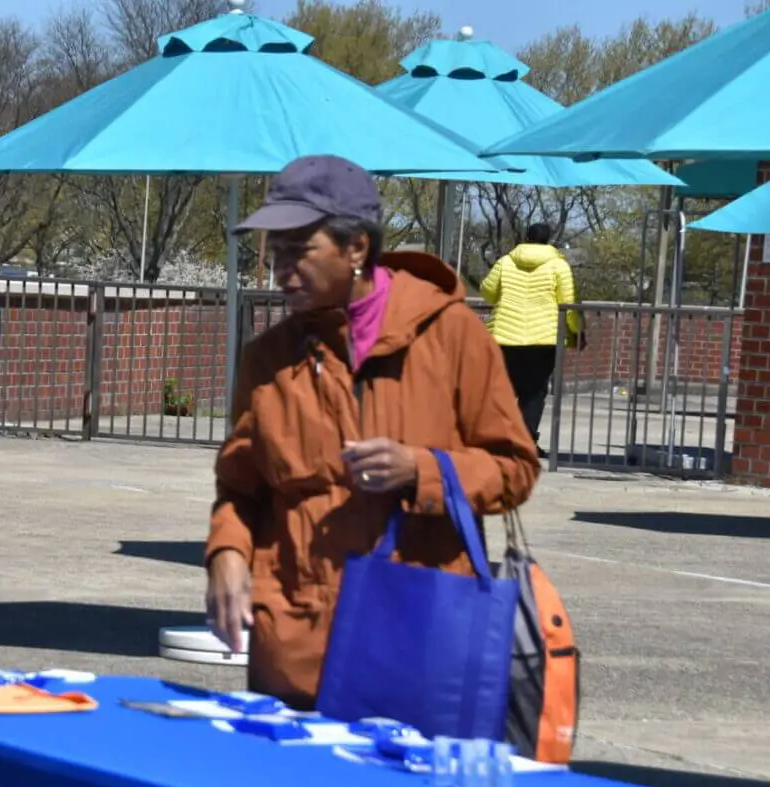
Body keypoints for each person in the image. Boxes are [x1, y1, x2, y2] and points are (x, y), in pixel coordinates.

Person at [206, 155, 539, 708]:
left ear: (356, 247)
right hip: (293, 649)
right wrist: (226, 553)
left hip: (418, 642)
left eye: (299, 250)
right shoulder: (266, 358)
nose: (281, 271)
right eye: (276, 252)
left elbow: (515, 467)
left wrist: (424, 470)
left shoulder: (452, 335)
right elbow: (241, 489)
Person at [480, 223, 582, 444]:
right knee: (535, 392)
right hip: (544, 338)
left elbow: (487, 292)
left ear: (526, 237)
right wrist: (576, 331)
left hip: (505, 336)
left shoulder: (505, 262)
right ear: (549, 240)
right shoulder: (559, 266)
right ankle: (525, 443)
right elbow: (568, 304)